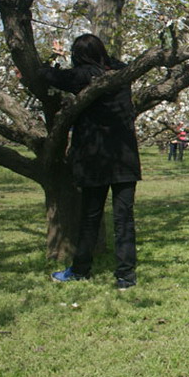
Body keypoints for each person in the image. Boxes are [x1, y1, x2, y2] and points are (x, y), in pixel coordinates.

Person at [42, 34, 140, 290]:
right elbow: (106, 63)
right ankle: (126, 276)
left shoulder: (83, 75)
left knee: (90, 217)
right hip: (124, 156)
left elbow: (51, 76)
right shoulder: (121, 72)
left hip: (94, 157)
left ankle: (80, 270)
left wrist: (54, 57)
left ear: (79, 57)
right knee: (124, 219)